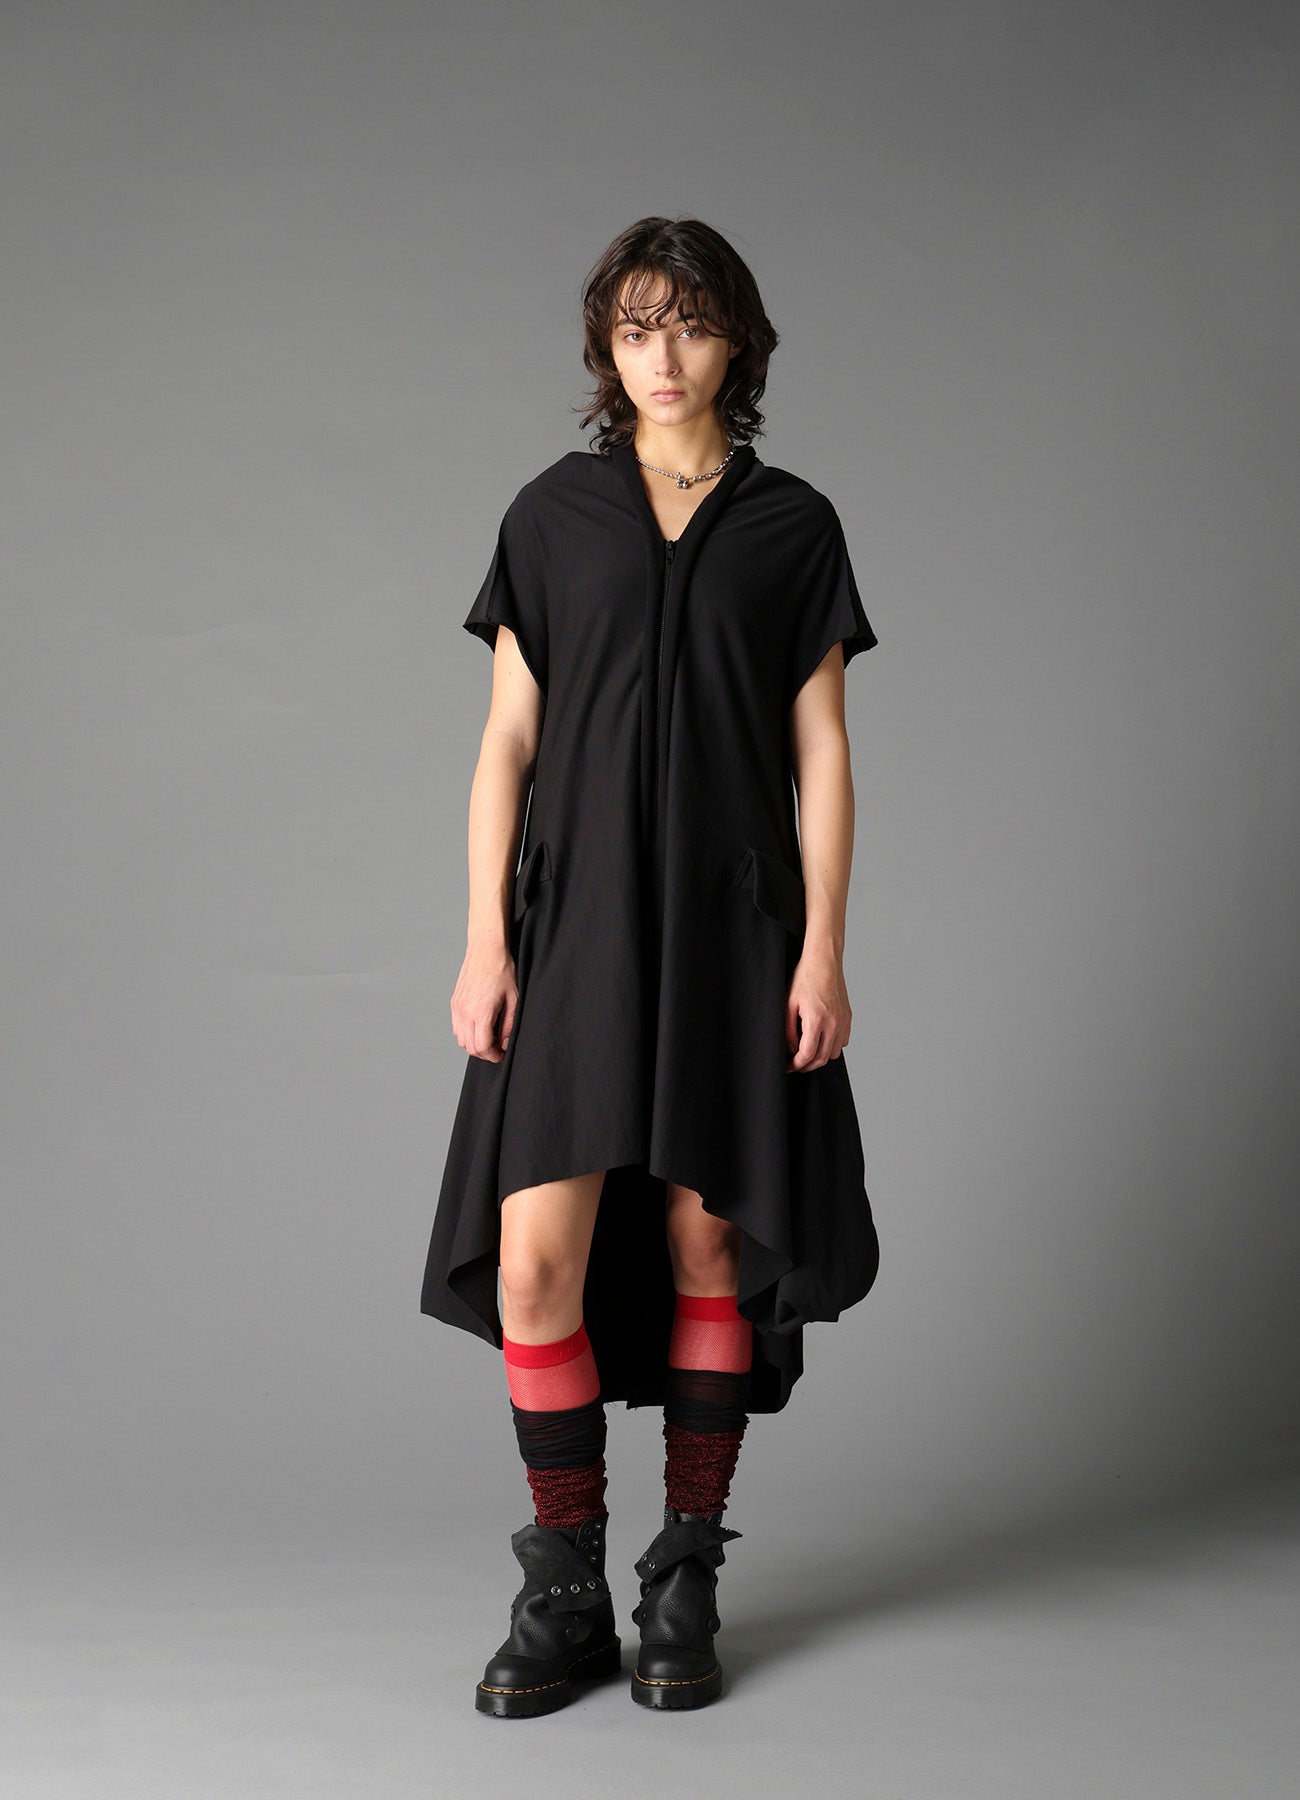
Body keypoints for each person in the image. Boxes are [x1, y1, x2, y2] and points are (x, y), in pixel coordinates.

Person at [420, 216, 881, 1718]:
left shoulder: (794, 526)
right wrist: (486, 937)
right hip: (576, 934)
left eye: (688, 325)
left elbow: (822, 751)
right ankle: (564, 1584)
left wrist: (824, 948)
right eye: (633, 329)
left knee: (708, 1247)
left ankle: (684, 1570)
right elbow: (507, 742)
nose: (661, 356)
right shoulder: (550, 517)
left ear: (738, 339)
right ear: (603, 350)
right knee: (535, 1260)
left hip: (738, 934)